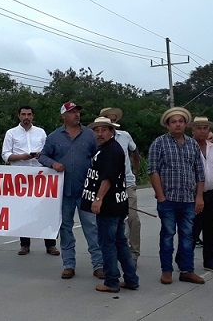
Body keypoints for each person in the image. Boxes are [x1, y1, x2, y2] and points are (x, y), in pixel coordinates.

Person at [39, 101, 103, 280]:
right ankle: (68, 264)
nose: (76, 115)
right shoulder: (54, 137)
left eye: (77, 112)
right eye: (72, 112)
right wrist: (53, 163)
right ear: (63, 116)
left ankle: (98, 265)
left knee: (92, 227)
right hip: (64, 192)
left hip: (86, 190)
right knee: (65, 228)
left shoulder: (90, 135)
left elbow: (99, 155)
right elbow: (42, 156)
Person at [80, 117, 139, 293]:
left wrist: (98, 199)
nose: (100, 134)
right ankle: (131, 278)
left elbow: (108, 178)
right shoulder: (105, 149)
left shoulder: (111, 150)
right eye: (97, 130)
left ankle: (111, 281)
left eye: (104, 130)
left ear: (112, 132)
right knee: (120, 242)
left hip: (109, 205)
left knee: (107, 243)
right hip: (116, 204)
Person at [148, 106, 206, 285]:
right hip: (168, 199)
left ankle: (187, 270)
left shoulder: (192, 144)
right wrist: (161, 196)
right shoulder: (159, 143)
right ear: (167, 125)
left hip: (188, 200)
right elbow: (153, 170)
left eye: (181, 121)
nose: (177, 124)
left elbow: (199, 172)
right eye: (173, 122)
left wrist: (199, 197)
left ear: (186, 124)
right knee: (167, 235)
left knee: (188, 236)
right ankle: (166, 271)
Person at [1, 105, 57, 256]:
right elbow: (5, 155)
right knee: (23, 211)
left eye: (29, 114)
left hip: (40, 176)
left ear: (33, 116)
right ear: (19, 116)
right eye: (23, 114)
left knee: (45, 211)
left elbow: (48, 152)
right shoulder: (11, 133)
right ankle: (24, 244)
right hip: (21, 177)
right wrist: (22, 157)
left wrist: (40, 155)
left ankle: (50, 244)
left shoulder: (41, 132)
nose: (26, 117)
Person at [99, 106, 142, 265]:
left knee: (132, 218)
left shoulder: (125, 136)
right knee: (111, 223)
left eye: (114, 118)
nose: (113, 120)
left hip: (127, 184)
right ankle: (111, 254)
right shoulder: (98, 139)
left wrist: (136, 171)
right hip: (108, 186)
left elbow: (135, 152)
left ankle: (134, 254)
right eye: (109, 118)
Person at [190, 116, 213, 273]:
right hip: (192, 195)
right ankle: (185, 261)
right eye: (199, 128)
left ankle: (210, 261)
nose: (202, 131)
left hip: (211, 194)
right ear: (193, 130)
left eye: (205, 128)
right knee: (191, 230)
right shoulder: (188, 147)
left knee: (211, 228)